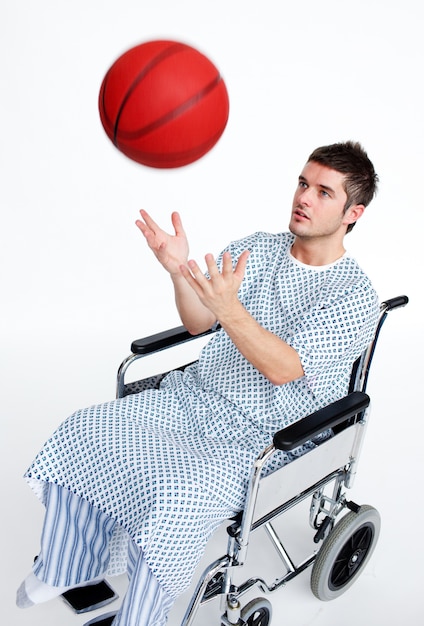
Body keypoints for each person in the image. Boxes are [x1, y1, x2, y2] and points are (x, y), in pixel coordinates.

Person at [17, 141, 380, 625]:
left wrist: (230, 309)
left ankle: (142, 617)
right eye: (302, 183)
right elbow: (197, 322)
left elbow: (283, 368)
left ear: (353, 212)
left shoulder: (353, 295)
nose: (304, 198)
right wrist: (177, 272)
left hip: (265, 436)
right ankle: (68, 566)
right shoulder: (255, 248)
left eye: (323, 192)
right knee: (85, 431)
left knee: (175, 497)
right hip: (195, 398)